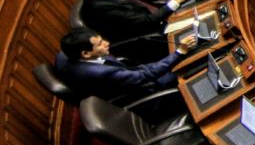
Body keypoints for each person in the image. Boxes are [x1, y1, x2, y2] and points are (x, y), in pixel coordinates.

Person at [74, 0, 191, 61]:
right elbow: (147, 22)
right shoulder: (99, 10)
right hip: (153, 37)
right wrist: (175, 1)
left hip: (160, 18)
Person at [52, 31, 186, 106]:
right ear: (86, 54)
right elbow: (144, 76)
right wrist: (179, 53)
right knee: (187, 68)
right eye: (100, 44)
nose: (107, 43)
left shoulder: (64, 56)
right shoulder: (102, 73)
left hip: (126, 79)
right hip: (144, 95)